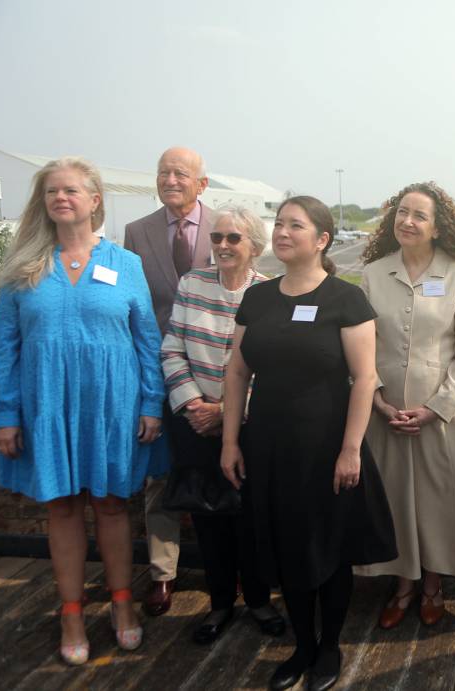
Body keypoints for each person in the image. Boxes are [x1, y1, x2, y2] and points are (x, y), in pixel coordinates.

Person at [0, 157, 164, 665]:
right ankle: (70, 611)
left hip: (112, 407)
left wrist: (152, 403)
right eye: (51, 192)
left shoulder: (125, 264)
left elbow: (147, 341)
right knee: (61, 506)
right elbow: (3, 347)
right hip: (47, 407)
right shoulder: (25, 264)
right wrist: (6, 413)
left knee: (111, 505)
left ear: (94, 200)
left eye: (71, 190)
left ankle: (123, 605)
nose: (61, 198)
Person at [220, 196, 397, 691]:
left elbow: (364, 379)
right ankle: (301, 645)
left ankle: (329, 647)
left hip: (325, 447)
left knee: (328, 548)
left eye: (294, 225)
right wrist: (231, 441)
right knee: (286, 544)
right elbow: (237, 371)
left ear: (321, 240)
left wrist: (350, 450)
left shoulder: (346, 299)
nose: (281, 232)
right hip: (269, 446)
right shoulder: (257, 298)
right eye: (278, 224)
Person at [355, 181, 455, 629]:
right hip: (384, 415)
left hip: (443, 417)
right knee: (394, 504)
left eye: (419, 215)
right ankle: (402, 587)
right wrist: (377, 400)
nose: (407, 221)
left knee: (439, 506)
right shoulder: (373, 274)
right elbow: (361, 346)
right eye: (401, 212)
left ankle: (432, 586)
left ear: (438, 226)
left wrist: (437, 407)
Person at [159, 205, 286, 645]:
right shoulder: (191, 284)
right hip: (196, 423)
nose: (223, 246)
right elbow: (172, 348)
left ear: (254, 245)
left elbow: (275, 370)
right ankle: (218, 605)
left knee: (252, 518)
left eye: (233, 238)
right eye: (217, 238)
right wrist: (193, 403)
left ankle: (258, 600)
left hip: (249, 426)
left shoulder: (271, 294)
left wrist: (228, 411)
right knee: (208, 517)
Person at [124, 146, 214, 616]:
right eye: (163, 172)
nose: (170, 179)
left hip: (219, 376)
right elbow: (137, 312)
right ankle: (163, 574)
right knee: (160, 475)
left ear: (202, 184)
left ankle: (228, 565)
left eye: (181, 172)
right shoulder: (136, 233)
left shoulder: (227, 226)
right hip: (159, 374)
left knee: (222, 469)